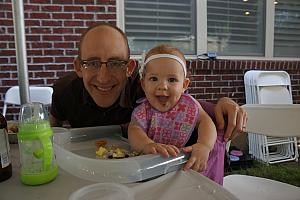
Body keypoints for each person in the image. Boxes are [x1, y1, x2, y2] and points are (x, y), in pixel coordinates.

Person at [50, 23, 247, 184]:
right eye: (91, 63)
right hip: (84, 173)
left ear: (129, 68)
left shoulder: (145, 87)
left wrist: (222, 104)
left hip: (140, 177)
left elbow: (186, 106)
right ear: (78, 67)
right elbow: (52, 135)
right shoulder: (63, 90)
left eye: (115, 63)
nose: (103, 77)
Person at [128, 44, 217, 173]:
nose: (163, 86)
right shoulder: (144, 111)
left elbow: (206, 122)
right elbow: (134, 130)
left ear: (184, 85)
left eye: (172, 79)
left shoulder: (189, 106)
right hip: (150, 167)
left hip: (182, 167)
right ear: (143, 83)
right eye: (154, 79)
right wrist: (147, 145)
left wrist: (204, 145)